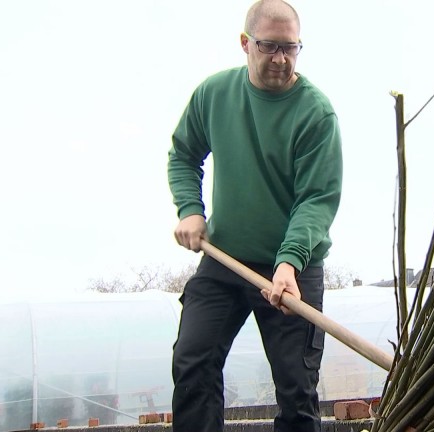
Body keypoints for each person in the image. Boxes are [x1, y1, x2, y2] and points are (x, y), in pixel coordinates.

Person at [166, 0, 343, 430]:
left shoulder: (316, 114)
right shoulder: (214, 94)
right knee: (193, 362)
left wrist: (289, 262)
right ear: (246, 43)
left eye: (291, 48)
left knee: (296, 390)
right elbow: (183, 155)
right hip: (225, 259)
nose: (281, 59)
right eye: (269, 47)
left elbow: (316, 199)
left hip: (291, 272)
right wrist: (191, 209)